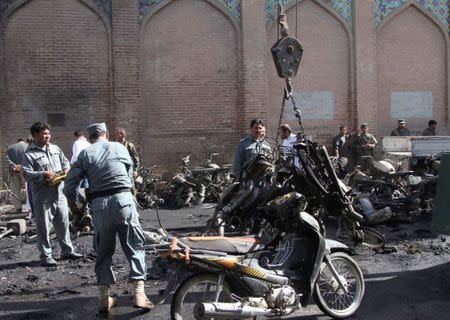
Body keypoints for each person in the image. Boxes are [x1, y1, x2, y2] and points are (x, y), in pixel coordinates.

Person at [63, 123, 153, 313]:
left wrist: (77, 208)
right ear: (107, 134)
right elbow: (129, 176)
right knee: (135, 246)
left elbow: (69, 186)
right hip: (125, 201)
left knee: (103, 252)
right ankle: (139, 293)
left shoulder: (86, 153)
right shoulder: (120, 147)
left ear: (91, 137)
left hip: (100, 205)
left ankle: (104, 299)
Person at [21, 122, 82, 267]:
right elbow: (26, 174)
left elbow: (65, 162)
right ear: (35, 135)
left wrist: (67, 170)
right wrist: (43, 174)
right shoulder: (29, 155)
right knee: (44, 227)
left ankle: (67, 251)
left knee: (63, 224)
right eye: (43, 134)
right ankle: (46, 255)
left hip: (59, 194)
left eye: (48, 133)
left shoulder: (55, 149)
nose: (47, 136)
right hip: (43, 197)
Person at [5, 138, 28, 212]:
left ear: (17, 141)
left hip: (13, 171)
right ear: (23, 141)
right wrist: (21, 166)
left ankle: (18, 208)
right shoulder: (28, 146)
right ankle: (30, 208)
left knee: (15, 190)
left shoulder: (11, 147)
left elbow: (7, 158)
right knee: (29, 189)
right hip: (25, 171)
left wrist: (14, 166)